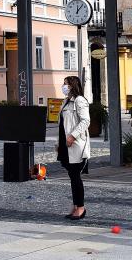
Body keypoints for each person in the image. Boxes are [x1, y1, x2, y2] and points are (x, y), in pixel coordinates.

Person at [57, 76, 90, 221]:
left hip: (76, 145)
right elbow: (61, 125)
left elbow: (85, 121)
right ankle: (76, 205)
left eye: (65, 84)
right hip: (66, 145)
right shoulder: (66, 101)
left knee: (76, 176)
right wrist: (59, 143)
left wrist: (73, 136)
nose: (63, 86)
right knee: (72, 176)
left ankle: (81, 207)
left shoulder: (79, 100)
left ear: (72, 85)